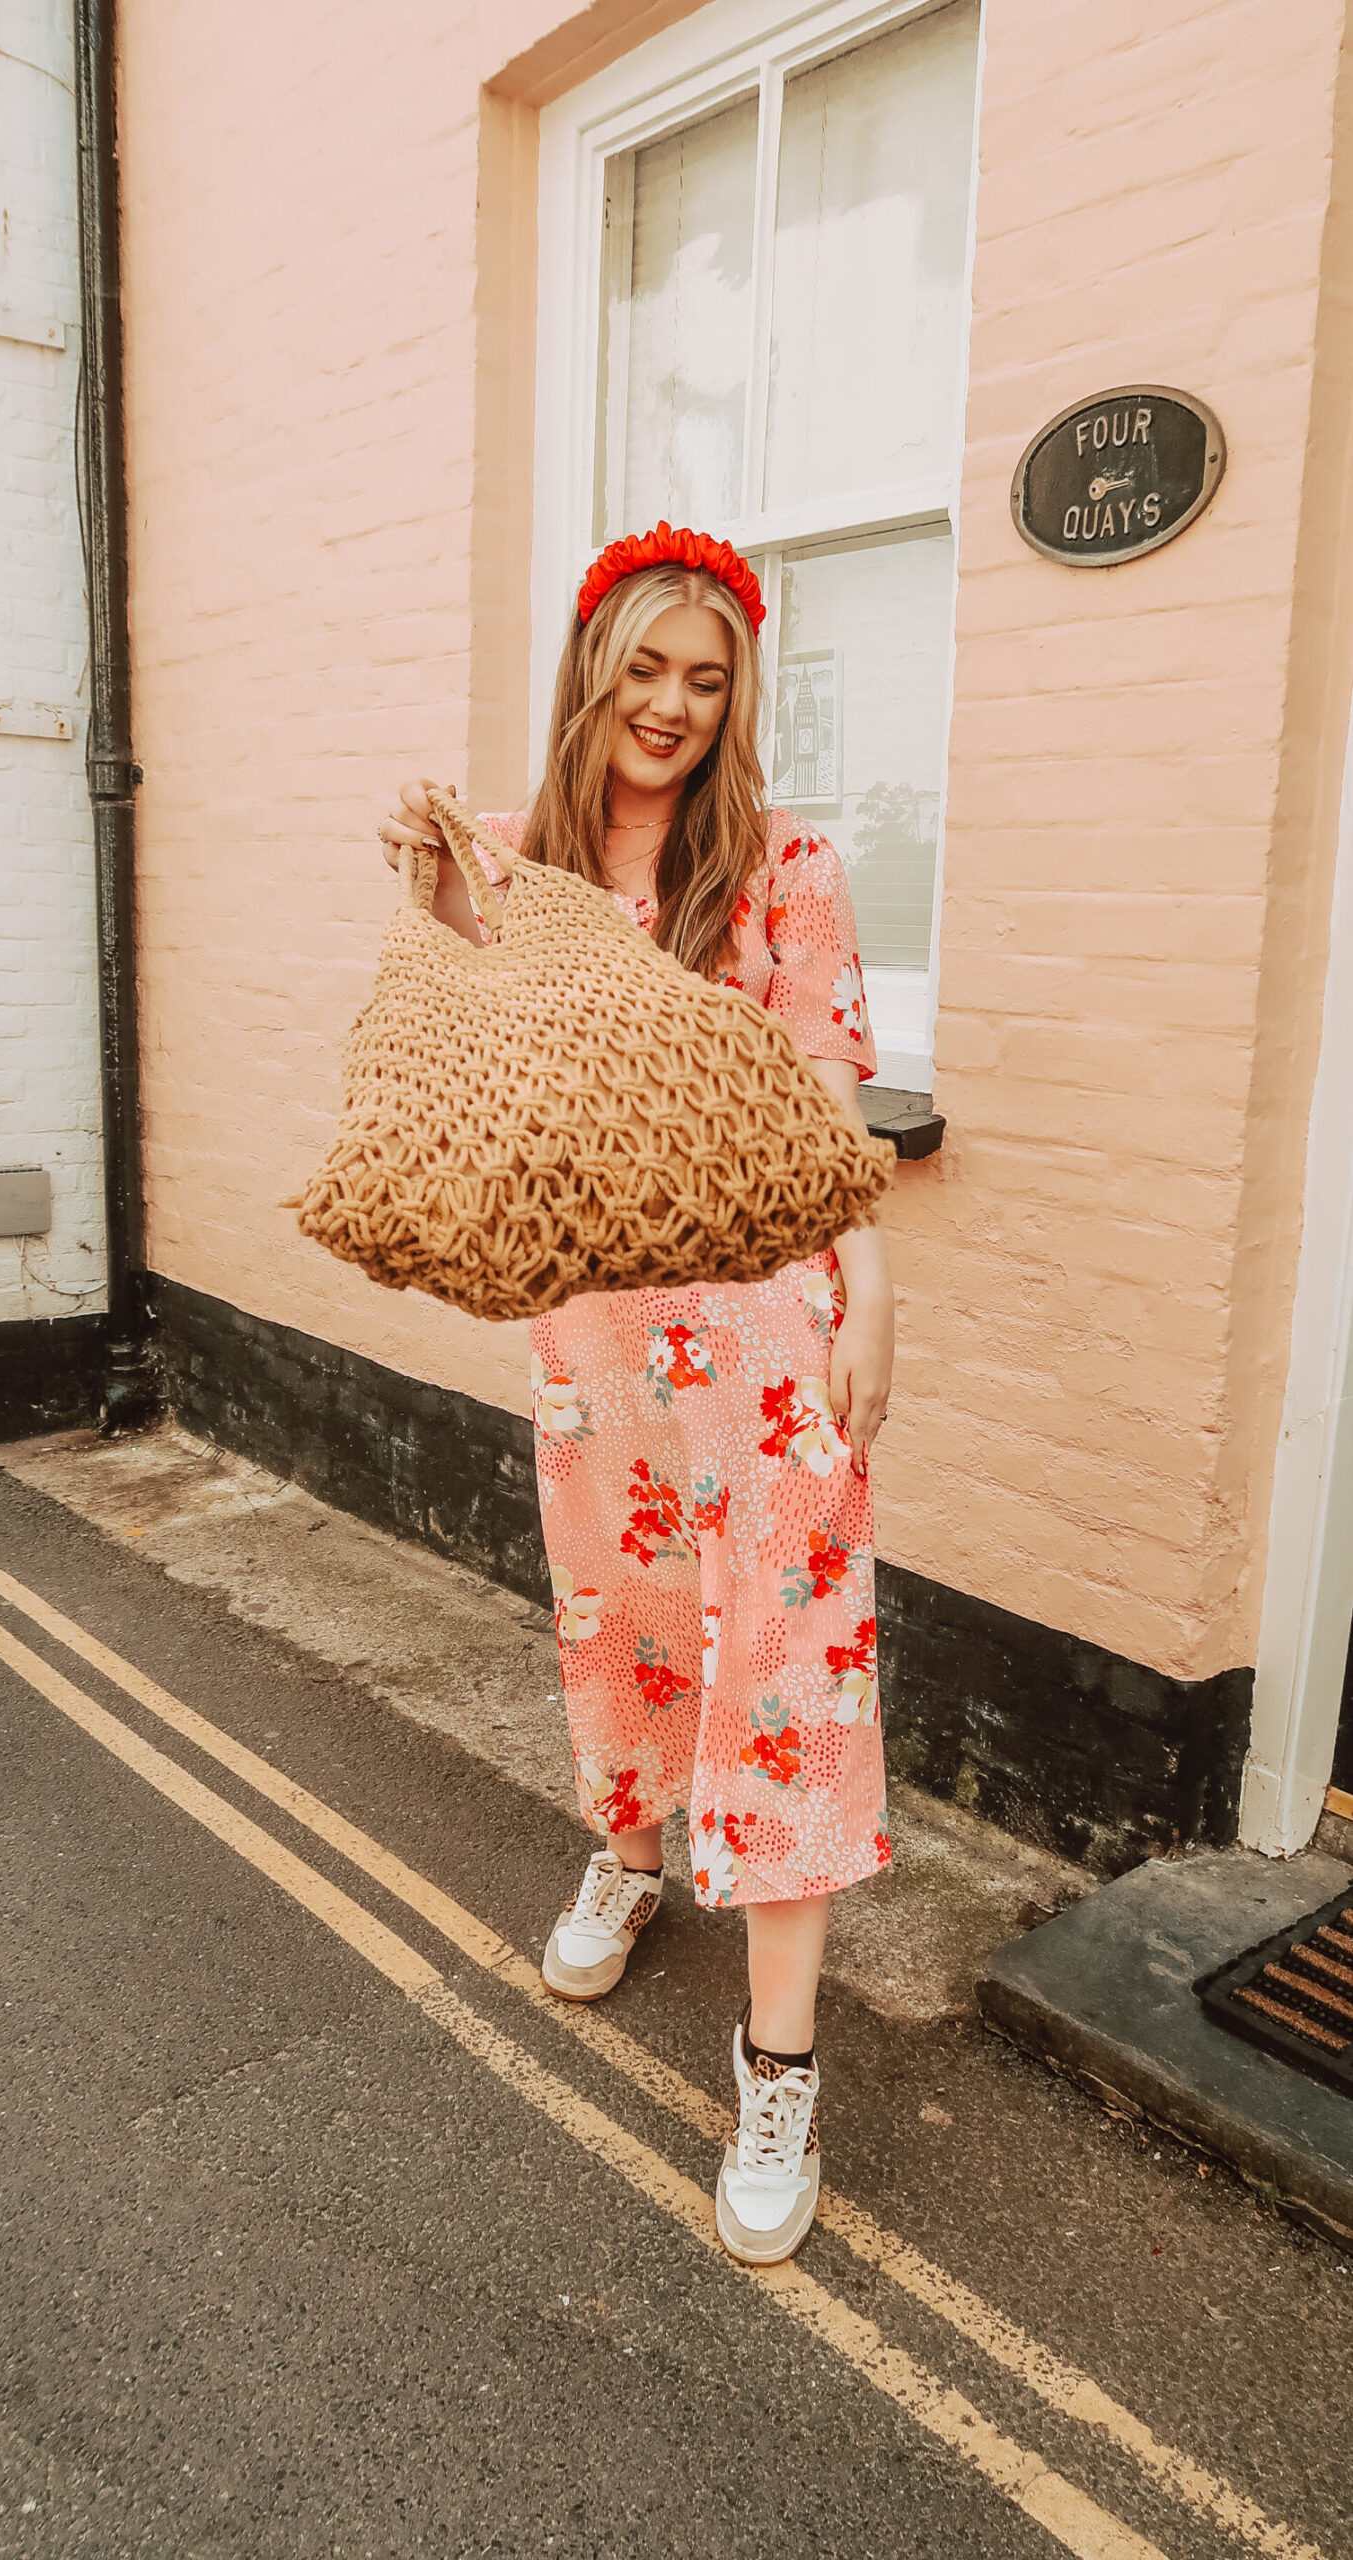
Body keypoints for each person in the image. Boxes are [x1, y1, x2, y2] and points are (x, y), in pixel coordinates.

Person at [378, 521, 895, 2265]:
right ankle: (629, 1846)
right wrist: (431, 887)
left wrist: (872, 1294)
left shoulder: (785, 868)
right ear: (591, 673)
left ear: (737, 697)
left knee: (790, 1666)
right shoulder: (519, 860)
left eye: (707, 679)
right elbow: (478, 1046)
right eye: (645, 669)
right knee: (622, 1619)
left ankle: (778, 2066)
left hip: (764, 1329)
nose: (671, 705)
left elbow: (826, 1103)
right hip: (596, 1327)